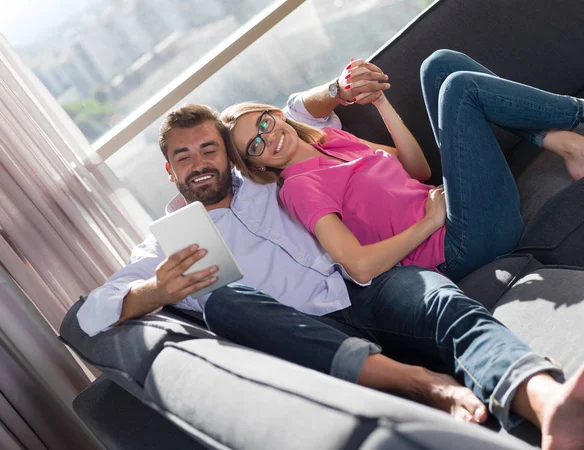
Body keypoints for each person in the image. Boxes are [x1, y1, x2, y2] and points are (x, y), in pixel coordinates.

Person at [76, 64, 584, 449]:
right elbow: (88, 315)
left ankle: (545, 401)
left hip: (367, 286)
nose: (199, 164)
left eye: (208, 149)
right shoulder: (168, 240)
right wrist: (158, 292)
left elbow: (295, 113)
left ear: (228, 156)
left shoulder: (262, 178)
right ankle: (422, 382)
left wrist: (340, 89)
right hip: (308, 333)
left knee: (444, 302)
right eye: (183, 157)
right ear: (170, 172)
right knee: (224, 299)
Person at [221, 50, 584, 284]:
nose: (268, 138)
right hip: (457, 248)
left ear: (274, 114)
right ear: (257, 165)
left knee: (439, 66)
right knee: (459, 88)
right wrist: (430, 221)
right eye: (255, 145)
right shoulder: (299, 188)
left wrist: (380, 103)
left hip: (458, 212)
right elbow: (359, 266)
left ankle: (565, 143)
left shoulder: (328, 140)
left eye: (264, 123)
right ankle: (577, 115)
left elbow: (417, 169)